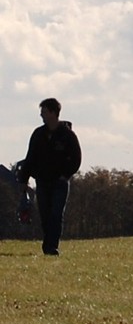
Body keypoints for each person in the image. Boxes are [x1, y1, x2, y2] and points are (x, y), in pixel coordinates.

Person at [18, 98, 82, 256]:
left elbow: (76, 158)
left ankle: (52, 247)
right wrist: (23, 179)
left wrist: (65, 175)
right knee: (45, 215)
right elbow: (30, 157)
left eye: (44, 111)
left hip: (60, 183)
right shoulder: (38, 134)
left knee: (56, 214)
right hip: (42, 182)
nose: (41, 115)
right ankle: (48, 245)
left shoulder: (67, 135)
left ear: (53, 113)